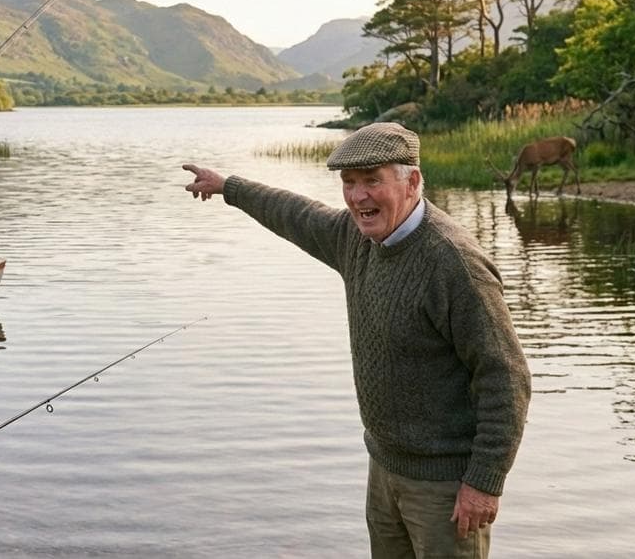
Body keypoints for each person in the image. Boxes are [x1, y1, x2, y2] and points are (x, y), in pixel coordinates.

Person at [183, 122, 530, 558]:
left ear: (413, 181)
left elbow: (506, 377)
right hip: (384, 468)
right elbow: (297, 214)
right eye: (349, 183)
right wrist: (229, 186)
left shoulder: (453, 265)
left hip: (445, 485)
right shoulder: (357, 237)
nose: (358, 197)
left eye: (372, 181)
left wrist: (484, 481)